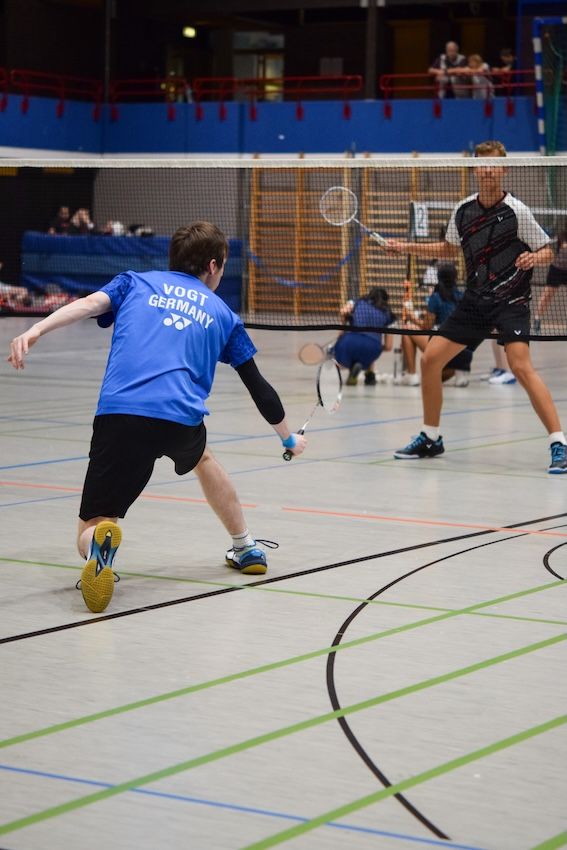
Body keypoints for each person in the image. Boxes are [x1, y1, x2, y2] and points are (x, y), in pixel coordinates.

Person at [8, 221, 307, 613]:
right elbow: (258, 386)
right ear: (213, 266)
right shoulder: (223, 313)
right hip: (181, 419)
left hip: (121, 414)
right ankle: (245, 546)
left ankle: (97, 543)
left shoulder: (134, 282)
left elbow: (87, 305)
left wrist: (36, 330)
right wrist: (288, 438)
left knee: (93, 525)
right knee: (203, 458)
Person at [387, 139, 567, 474]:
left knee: (520, 366)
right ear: (474, 169)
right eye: (482, 164)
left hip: (511, 301)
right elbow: (448, 248)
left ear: (504, 169)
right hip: (475, 301)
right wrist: (405, 247)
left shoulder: (516, 210)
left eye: (493, 165)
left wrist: (534, 258)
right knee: (430, 359)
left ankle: (559, 443)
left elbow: (547, 249)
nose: (487, 170)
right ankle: (431, 437)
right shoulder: (463, 211)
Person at [401, 262, 472, 387]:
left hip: (442, 345)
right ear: (455, 277)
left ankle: (411, 375)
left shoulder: (436, 297)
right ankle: (459, 372)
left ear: (438, 278)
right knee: (431, 377)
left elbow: (426, 326)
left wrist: (411, 316)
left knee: (407, 330)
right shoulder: (462, 296)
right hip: (461, 349)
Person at [334, 287, 394, 385]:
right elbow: (388, 346)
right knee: (368, 349)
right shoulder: (388, 314)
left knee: (343, 354)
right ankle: (369, 375)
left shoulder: (357, 302)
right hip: (373, 346)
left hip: (350, 340)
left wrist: (342, 330)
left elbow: (343, 311)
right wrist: (377, 345)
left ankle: (350, 367)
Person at [533, 230, 567, 332]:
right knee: (547, 296)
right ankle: (537, 319)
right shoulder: (562, 235)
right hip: (557, 270)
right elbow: (563, 247)